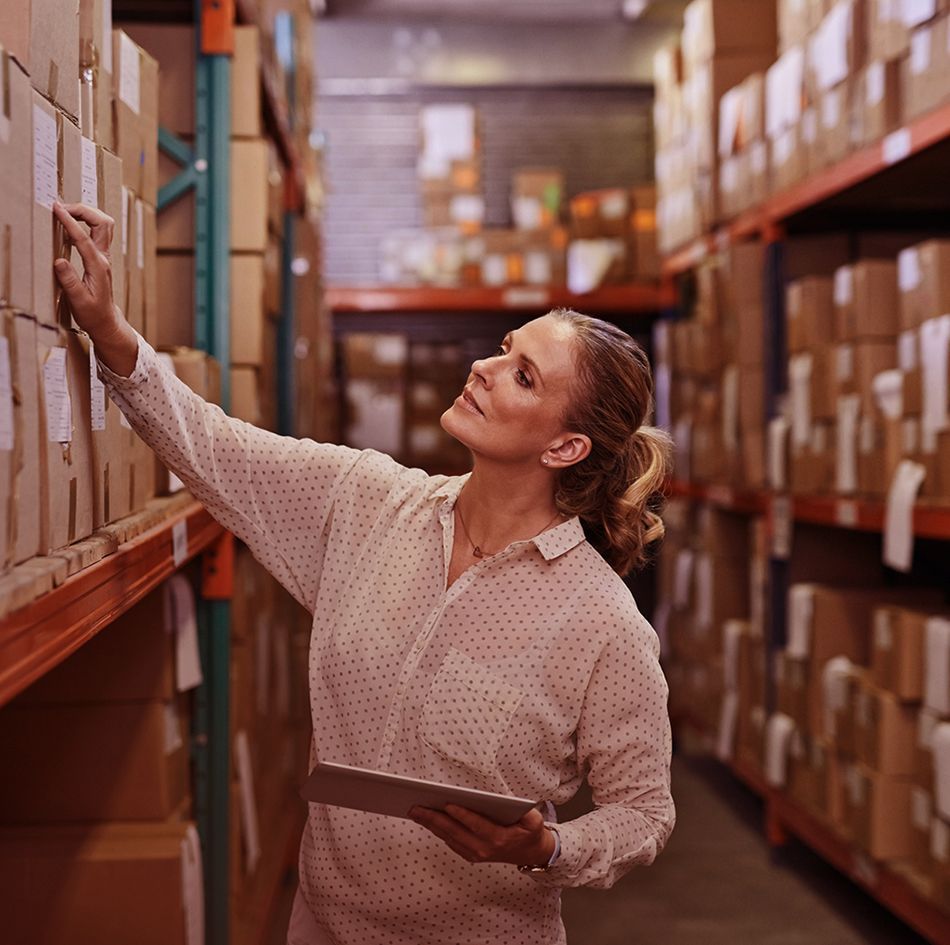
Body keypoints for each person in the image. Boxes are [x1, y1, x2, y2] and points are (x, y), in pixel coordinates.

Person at [53, 201, 675, 945]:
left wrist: (547, 847)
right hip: (323, 925)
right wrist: (108, 327)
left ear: (565, 448)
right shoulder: (369, 503)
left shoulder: (600, 620)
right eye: (504, 347)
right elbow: (216, 448)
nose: (482, 367)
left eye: (523, 375)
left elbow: (644, 812)